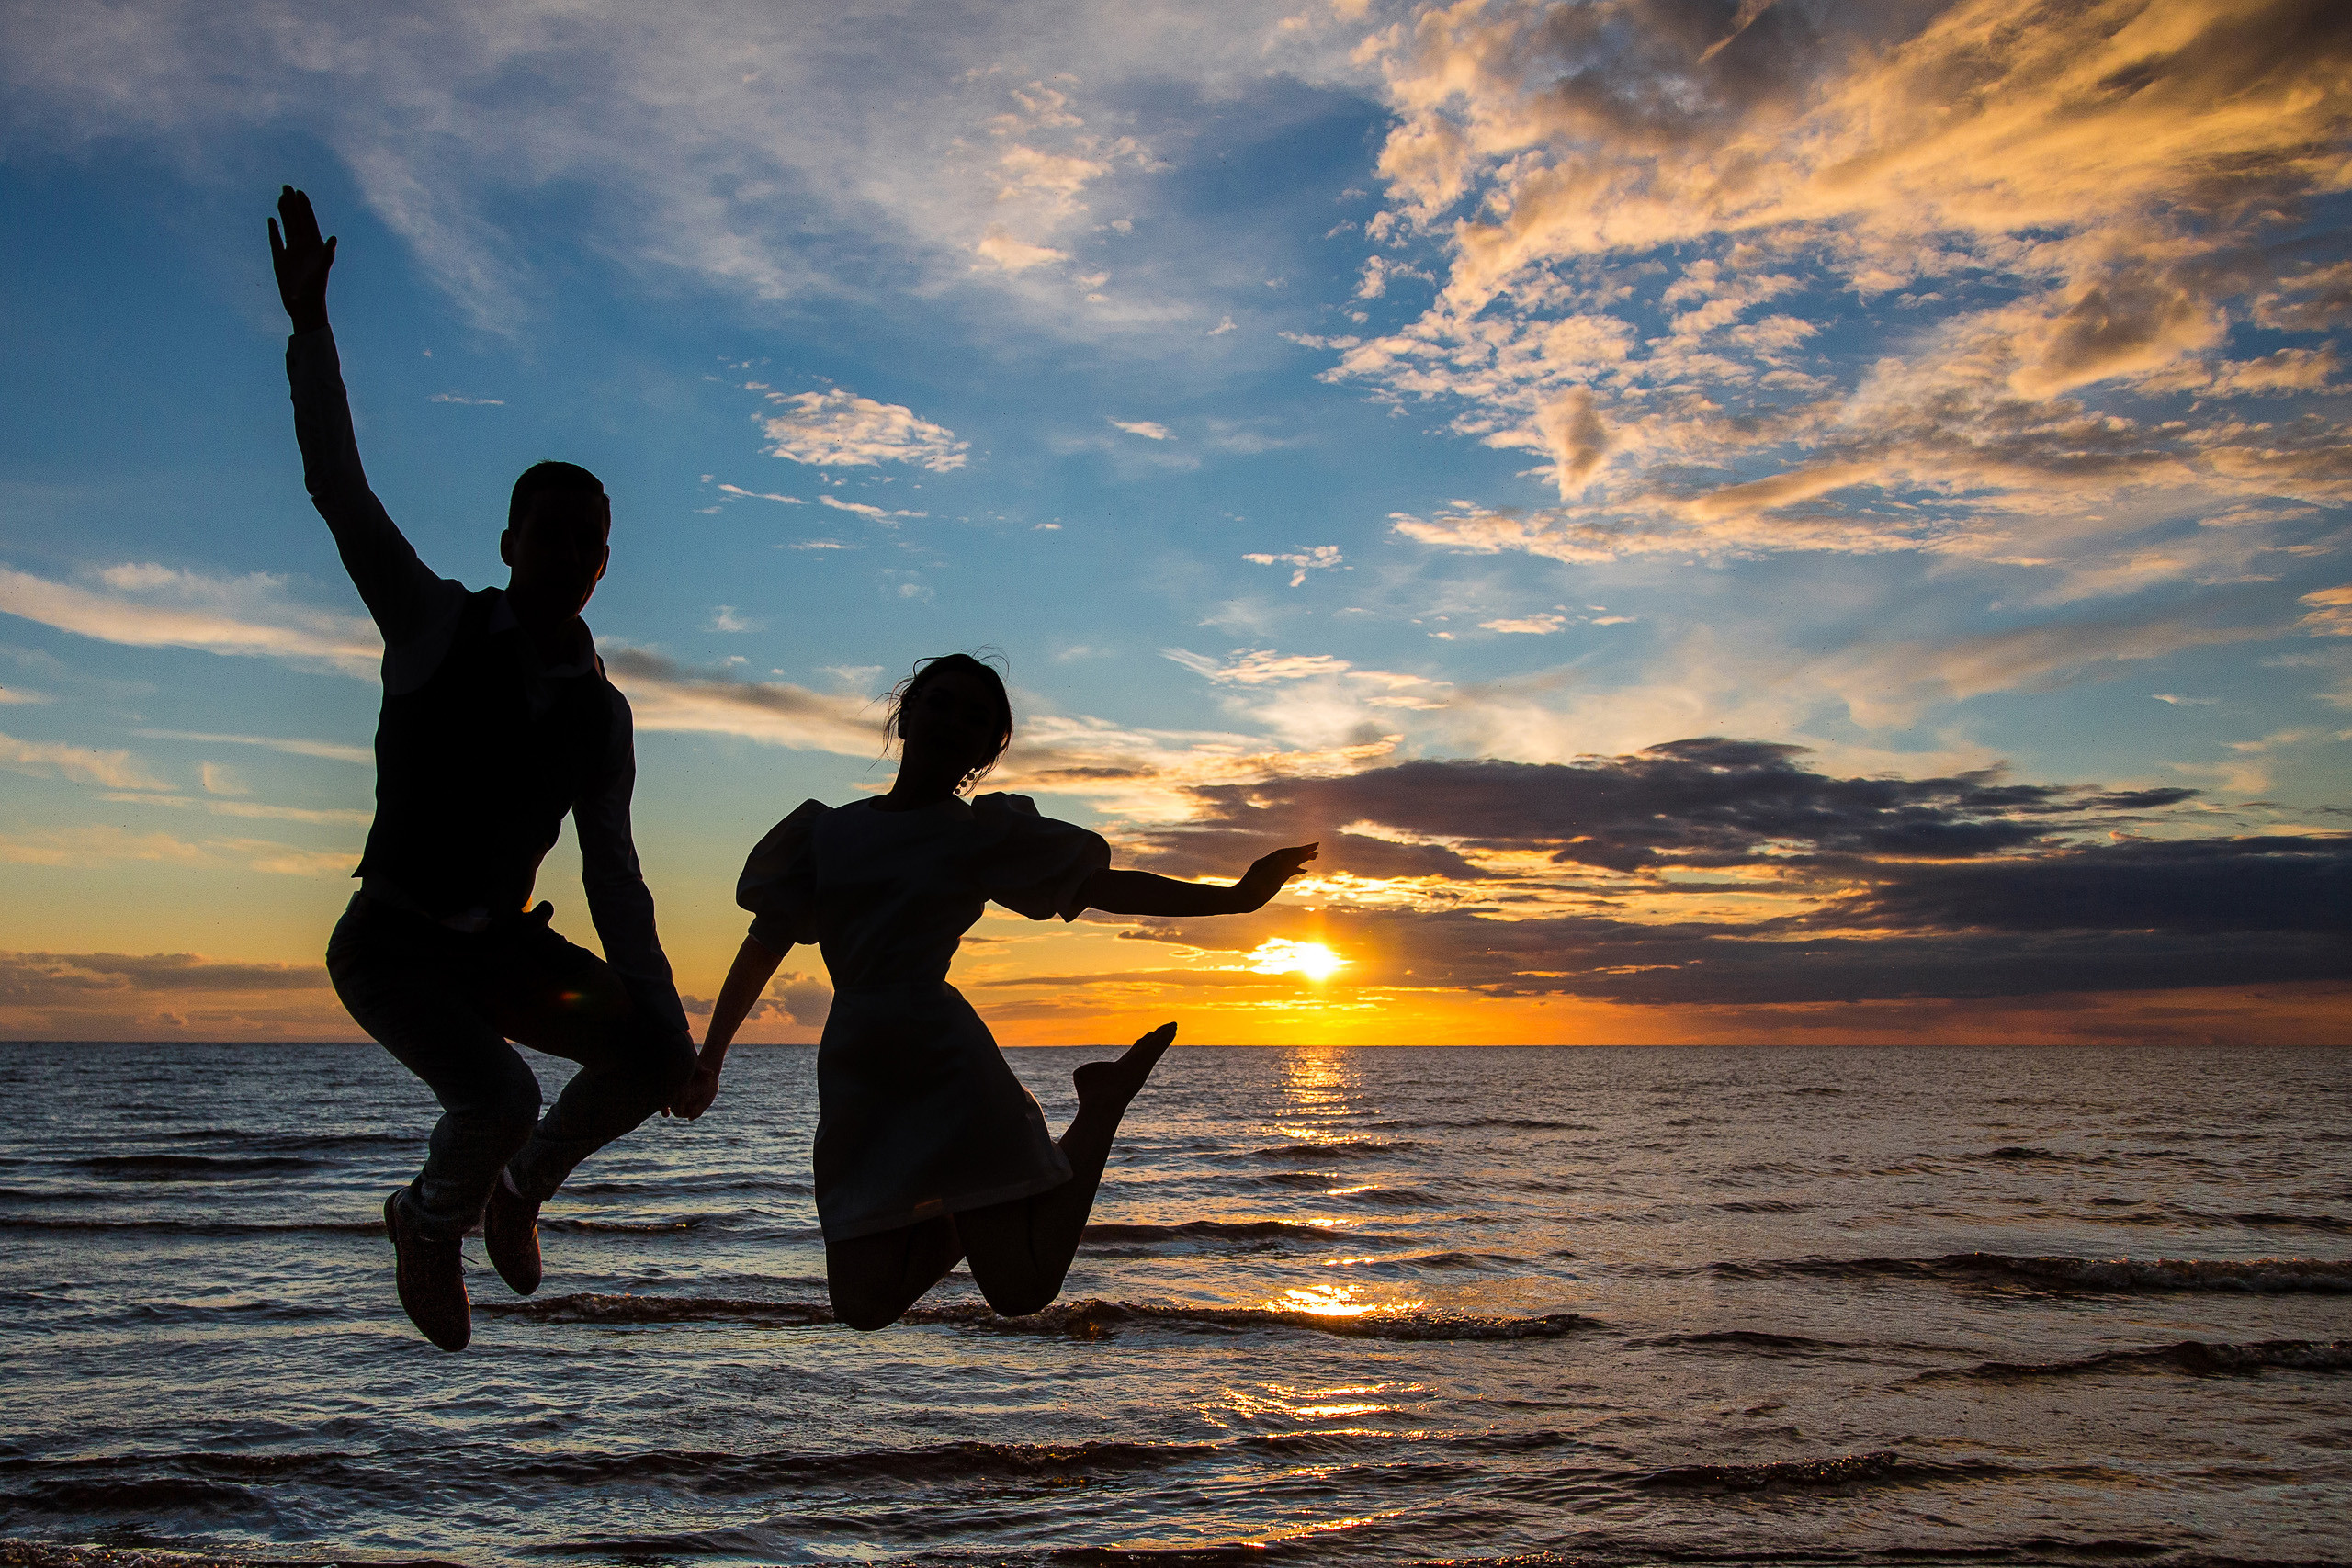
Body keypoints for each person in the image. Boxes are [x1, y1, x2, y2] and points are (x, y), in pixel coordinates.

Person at [270, 186, 695, 1352]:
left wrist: (667, 1020)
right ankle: (428, 1217)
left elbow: (616, 880)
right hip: (394, 944)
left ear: (603, 563)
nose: (562, 552)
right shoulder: (432, 624)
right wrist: (311, 332)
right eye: (542, 532)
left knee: (655, 1055)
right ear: (508, 544)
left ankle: (519, 1191)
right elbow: (339, 494)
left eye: (583, 539)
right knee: (497, 1095)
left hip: (502, 951)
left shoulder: (600, 715)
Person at [673, 653, 1316, 1330]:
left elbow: (1102, 886)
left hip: (945, 1061)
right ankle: (973, 1199)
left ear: (988, 749)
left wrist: (1235, 898)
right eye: (941, 702)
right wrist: (711, 1057)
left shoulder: (978, 834)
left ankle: (1100, 1106)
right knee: (863, 1303)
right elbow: (764, 944)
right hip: (858, 1066)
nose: (954, 722)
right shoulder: (824, 833)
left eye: (977, 718)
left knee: (1020, 1288)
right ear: (907, 711)